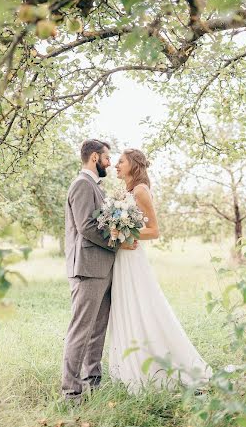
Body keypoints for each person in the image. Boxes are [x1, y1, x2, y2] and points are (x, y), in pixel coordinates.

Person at [108, 148, 213, 393]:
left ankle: (159, 365)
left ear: (133, 164)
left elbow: (154, 230)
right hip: (122, 257)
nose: (115, 165)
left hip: (133, 258)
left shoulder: (141, 190)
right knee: (126, 307)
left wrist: (124, 232)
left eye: (120, 162)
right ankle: (128, 366)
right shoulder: (126, 192)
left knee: (142, 306)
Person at [61, 139, 136, 402]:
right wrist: (116, 241)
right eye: (106, 158)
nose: (109, 162)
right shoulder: (82, 185)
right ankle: (71, 392)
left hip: (102, 268)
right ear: (94, 158)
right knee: (81, 330)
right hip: (87, 268)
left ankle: (92, 382)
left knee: (97, 330)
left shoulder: (96, 186)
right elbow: (86, 226)